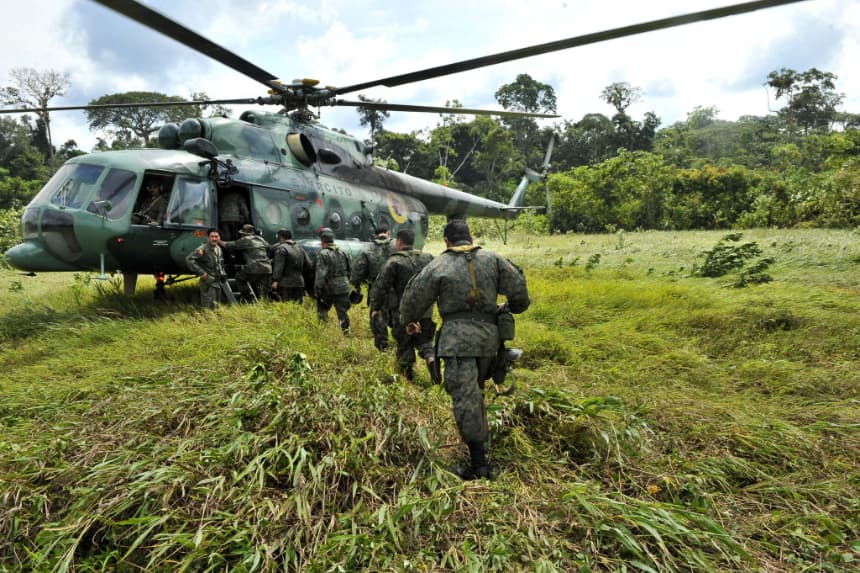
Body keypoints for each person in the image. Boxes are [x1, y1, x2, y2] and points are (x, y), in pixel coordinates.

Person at [400, 219, 530, 480]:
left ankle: (479, 466)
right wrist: (506, 308)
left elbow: (410, 304)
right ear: (470, 238)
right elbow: (521, 297)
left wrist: (411, 322)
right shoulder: (493, 260)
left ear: (447, 241)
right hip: (491, 342)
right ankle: (481, 443)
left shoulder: (438, 265)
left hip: (458, 344)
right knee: (476, 392)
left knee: (467, 400)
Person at [369, 228, 438, 383]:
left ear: (398, 242)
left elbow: (381, 287)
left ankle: (408, 377)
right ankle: (430, 358)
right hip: (425, 310)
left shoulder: (394, 262)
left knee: (404, 343)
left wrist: (376, 308)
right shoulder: (428, 258)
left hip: (402, 311)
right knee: (425, 341)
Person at [350, 224, 395, 351]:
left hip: (377, 290)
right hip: (397, 289)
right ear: (388, 233)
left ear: (375, 235)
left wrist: (357, 286)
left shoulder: (367, 250)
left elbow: (356, 273)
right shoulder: (397, 246)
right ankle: (402, 345)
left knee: (378, 318)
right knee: (398, 316)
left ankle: (383, 347)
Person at [314, 227, 352, 332]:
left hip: (329, 288)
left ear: (323, 241)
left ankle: (322, 332)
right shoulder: (344, 252)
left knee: (322, 310)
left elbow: (320, 274)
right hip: (343, 286)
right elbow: (350, 270)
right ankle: (346, 333)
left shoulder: (323, 254)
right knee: (342, 312)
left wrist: (318, 290)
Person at [219, 224, 272, 300]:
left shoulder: (246, 239)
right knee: (265, 292)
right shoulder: (261, 239)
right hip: (267, 268)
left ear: (244, 233)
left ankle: (247, 296)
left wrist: (218, 240)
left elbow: (229, 245)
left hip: (255, 267)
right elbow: (270, 249)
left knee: (239, 277)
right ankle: (265, 305)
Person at [186, 228, 226, 309]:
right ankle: (207, 320)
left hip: (217, 281)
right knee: (208, 307)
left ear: (219, 238)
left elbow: (219, 263)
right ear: (208, 238)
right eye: (212, 236)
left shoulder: (218, 249)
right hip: (208, 282)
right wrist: (202, 273)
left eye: (216, 236)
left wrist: (223, 273)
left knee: (216, 305)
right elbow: (189, 259)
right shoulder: (202, 249)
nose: (214, 239)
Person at [270, 228, 312, 303]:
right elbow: (308, 265)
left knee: (285, 307)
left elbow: (279, 267)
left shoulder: (281, 248)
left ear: (280, 237)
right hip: (300, 283)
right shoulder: (300, 248)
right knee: (298, 307)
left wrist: (275, 280)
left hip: (285, 284)